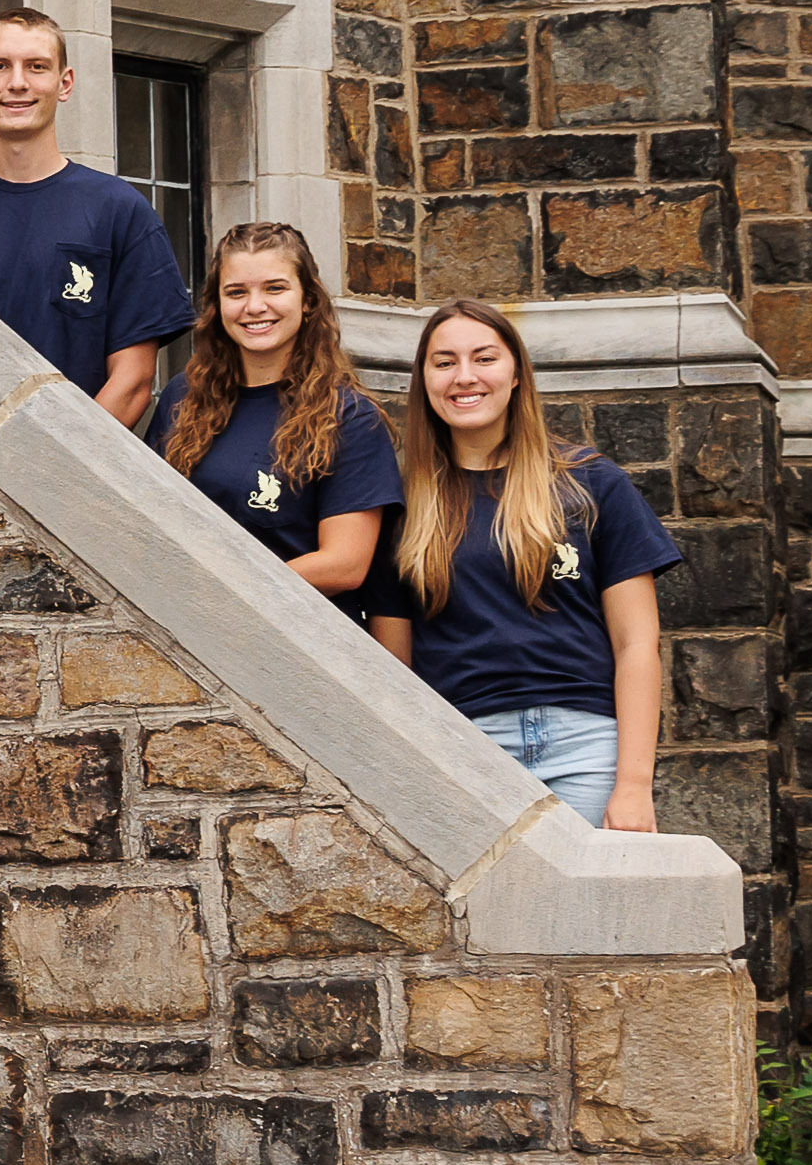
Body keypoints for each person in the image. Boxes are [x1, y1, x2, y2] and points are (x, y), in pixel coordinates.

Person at [375, 300, 676, 831]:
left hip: (587, 748)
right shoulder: (401, 504)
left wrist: (633, 784)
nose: (464, 377)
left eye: (484, 358)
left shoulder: (592, 485)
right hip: (465, 751)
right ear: (424, 380)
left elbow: (637, 644)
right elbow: (393, 671)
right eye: (444, 363)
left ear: (516, 373)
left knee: (591, 913)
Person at [0, 7, 193, 420]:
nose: (17, 83)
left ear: (64, 83)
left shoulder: (118, 209)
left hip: (75, 470)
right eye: (0, 66)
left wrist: (62, 472)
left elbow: (132, 382)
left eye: (37, 67)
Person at [152, 221, 398, 618]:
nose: (254, 307)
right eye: (236, 292)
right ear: (217, 306)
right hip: (191, 627)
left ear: (307, 300)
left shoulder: (350, 417)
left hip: (301, 637)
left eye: (274, 288)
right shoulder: (183, 398)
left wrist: (228, 589)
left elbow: (345, 564)